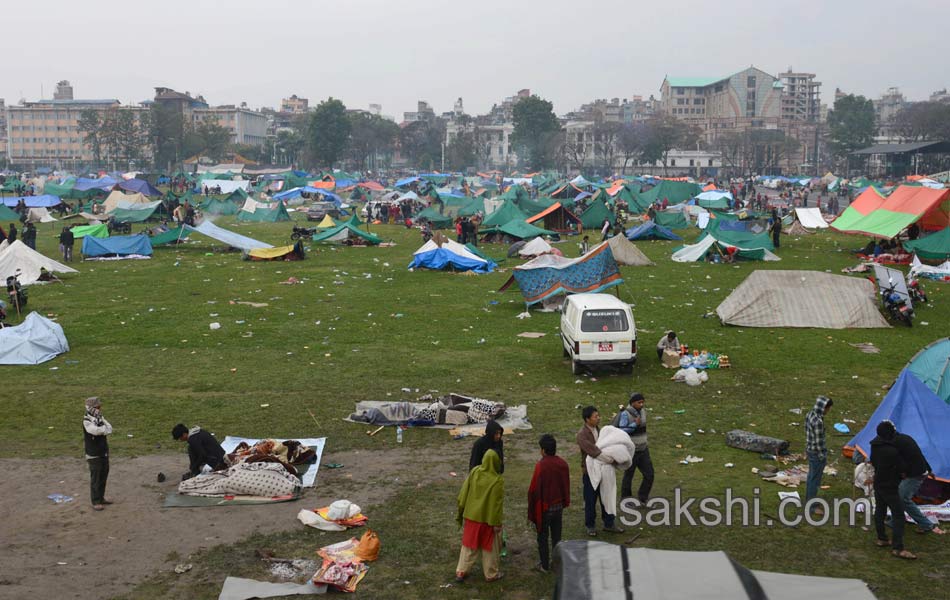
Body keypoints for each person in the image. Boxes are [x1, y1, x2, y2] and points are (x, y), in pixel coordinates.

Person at [455, 449, 505, 583]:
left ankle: (461, 571)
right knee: (490, 548)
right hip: (487, 520)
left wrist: (461, 509)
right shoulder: (497, 480)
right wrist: (496, 523)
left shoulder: (475, 472)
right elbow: (496, 505)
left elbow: (464, 491)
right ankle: (491, 573)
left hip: (471, 516)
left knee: (469, 545)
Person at [871, 421, 917, 559]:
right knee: (898, 515)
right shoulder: (892, 452)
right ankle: (898, 548)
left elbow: (873, 460)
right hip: (889, 485)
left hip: (878, 482)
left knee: (880, 510)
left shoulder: (874, 445)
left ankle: (882, 538)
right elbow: (902, 468)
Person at [576, 406, 623, 536]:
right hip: (590, 472)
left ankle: (609, 523)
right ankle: (590, 525)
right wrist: (611, 460)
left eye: (598, 416)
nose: (598, 418)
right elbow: (594, 452)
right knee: (590, 499)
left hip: (604, 470)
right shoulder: (582, 435)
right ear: (587, 419)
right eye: (595, 417)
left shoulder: (599, 430)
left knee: (606, 497)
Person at [527, 434, 570, 573]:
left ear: (543, 450)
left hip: (544, 509)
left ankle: (544, 565)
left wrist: (532, 510)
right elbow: (565, 485)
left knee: (543, 537)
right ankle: (557, 563)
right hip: (558, 507)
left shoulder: (541, 466)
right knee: (557, 536)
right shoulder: (563, 464)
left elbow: (534, 490)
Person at [893, 428, 946, 535]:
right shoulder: (906, 439)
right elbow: (918, 455)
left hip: (915, 475)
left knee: (903, 498)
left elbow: (903, 460)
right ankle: (894, 520)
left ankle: (926, 524)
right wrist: (929, 469)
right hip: (917, 472)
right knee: (899, 495)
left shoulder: (896, 444)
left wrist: (902, 472)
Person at [616, 393, 654, 504]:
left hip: (643, 449)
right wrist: (634, 425)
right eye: (639, 402)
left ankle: (643, 496)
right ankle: (626, 499)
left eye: (643, 402)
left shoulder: (642, 411)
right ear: (632, 403)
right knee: (628, 476)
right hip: (631, 451)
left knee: (649, 474)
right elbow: (622, 430)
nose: (641, 404)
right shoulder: (625, 414)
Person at [82, 397, 113, 511]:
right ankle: (95, 501)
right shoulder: (86, 420)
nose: (100, 408)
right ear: (92, 408)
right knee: (96, 478)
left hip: (103, 452)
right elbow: (95, 430)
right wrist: (104, 429)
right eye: (97, 407)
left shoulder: (100, 418)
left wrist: (104, 429)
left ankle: (101, 498)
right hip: (93, 454)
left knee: (103, 476)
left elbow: (109, 428)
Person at [804, 396, 832, 514]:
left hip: (810, 449)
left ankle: (808, 500)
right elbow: (819, 442)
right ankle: (812, 506)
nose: (828, 411)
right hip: (816, 453)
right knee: (815, 480)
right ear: (823, 407)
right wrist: (823, 456)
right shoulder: (818, 422)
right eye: (828, 408)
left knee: (811, 477)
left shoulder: (809, 415)